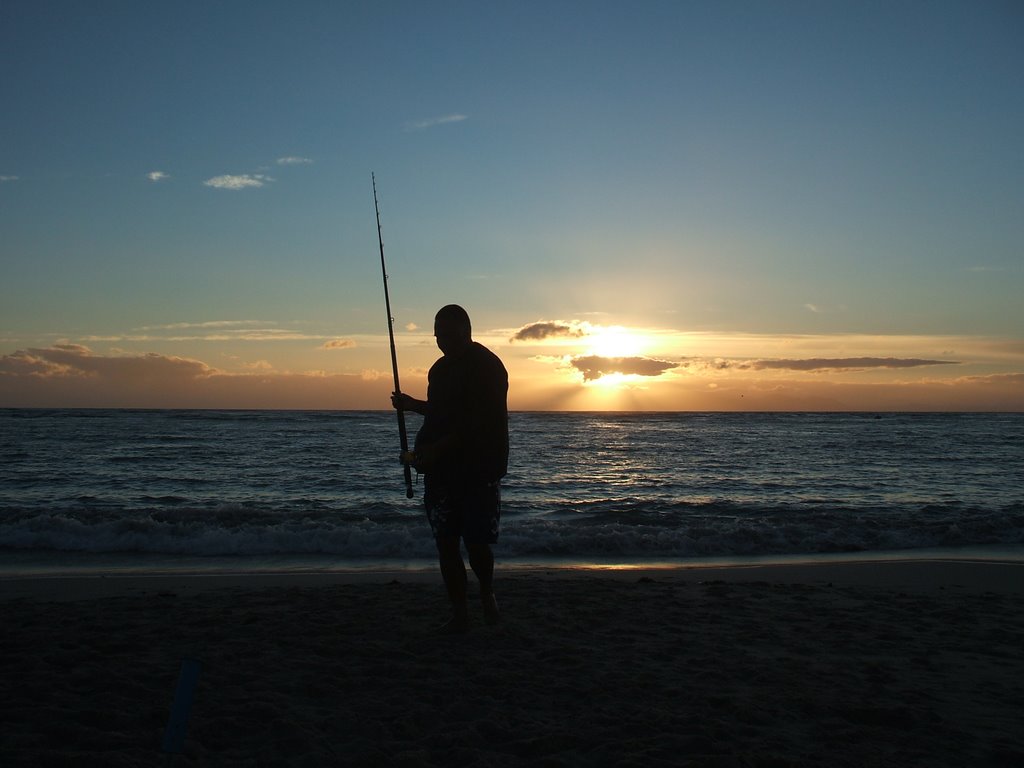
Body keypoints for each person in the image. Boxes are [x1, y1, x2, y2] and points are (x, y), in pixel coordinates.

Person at [392, 304, 509, 633]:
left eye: (449, 335)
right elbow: (441, 413)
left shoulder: (488, 367)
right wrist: (413, 404)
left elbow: (476, 423)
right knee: (445, 542)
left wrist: (435, 449)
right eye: (438, 336)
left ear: (467, 332)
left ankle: (487, 595)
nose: (443, 342)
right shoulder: (439, 370)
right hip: (441, 471)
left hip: (478, 470)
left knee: (476, 544)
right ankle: (460, 614)